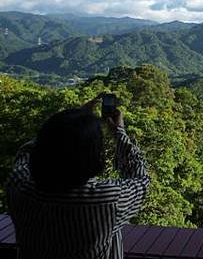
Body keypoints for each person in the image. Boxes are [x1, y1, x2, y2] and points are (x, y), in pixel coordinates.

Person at [6, 96, 151, 259]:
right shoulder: (106, 199)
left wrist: (69, 122)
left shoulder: (19, 184)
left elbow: (26, 152)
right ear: (93, 155)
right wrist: (119, 133)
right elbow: (141, 179)